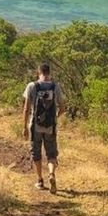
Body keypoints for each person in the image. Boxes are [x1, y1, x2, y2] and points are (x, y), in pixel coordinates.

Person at [23, 61, 66, 193]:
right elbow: (63, 107)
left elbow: (26, 108)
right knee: (51, 153)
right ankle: (52, 174)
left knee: (36, 153)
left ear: (38, 72)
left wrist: (24, 127)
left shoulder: (32, 86)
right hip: (50, 127)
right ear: (49, 73)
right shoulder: (55, 87)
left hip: (35, 126)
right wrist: (55, 118)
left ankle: (40, 180)